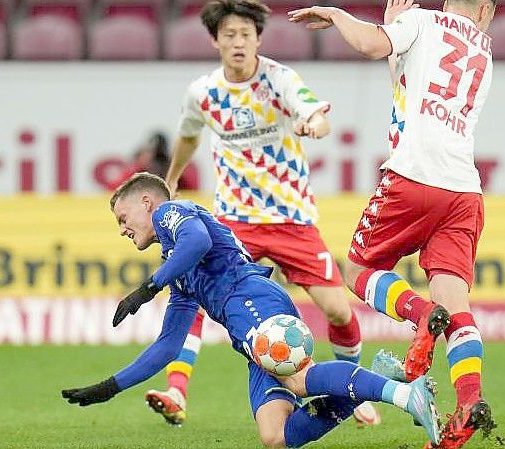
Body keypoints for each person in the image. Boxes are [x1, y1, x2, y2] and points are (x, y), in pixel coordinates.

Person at [60, 173, 441, 448]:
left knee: (297, 380)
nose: (122, 230)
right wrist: (110, 387)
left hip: (253, 300)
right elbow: (169, 345)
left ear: (147, 202)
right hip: (245, 330)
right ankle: (371, 382)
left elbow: (198, 239)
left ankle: (405, 395)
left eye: (122, 219)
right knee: (275, 436)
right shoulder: (178, 270)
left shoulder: (172, 213)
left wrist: (148, 286)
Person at [152, 0, 378, 427]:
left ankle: (352, 387)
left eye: (245, 34)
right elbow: (187, 136)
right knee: (195, 299)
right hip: (234, 223)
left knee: (338, 312)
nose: (238, 42)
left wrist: (313, 125)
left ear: (258, 38)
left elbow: (317, 115)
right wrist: (173, 177)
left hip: (291, 219)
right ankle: (176, 391)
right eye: (229, 35)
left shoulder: (279, 80)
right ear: (215, 40)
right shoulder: (203, 93)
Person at [288, 0, 497, 447]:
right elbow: (411, 93)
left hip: (414, 177)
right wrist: (395, 38)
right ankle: (468, 403)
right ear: (483, 11)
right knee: (458, 307)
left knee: (357, 270)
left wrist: (337, 14)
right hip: (464, 190)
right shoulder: (484, 49)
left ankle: (422, 317)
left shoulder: (421, 20)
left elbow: (366, 43)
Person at [101, 132, 199, 192]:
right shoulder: (138, 169)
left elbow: (194, 192)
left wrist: (176, 170)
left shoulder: (175, 169)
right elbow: (112, 191)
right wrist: (139, 167)